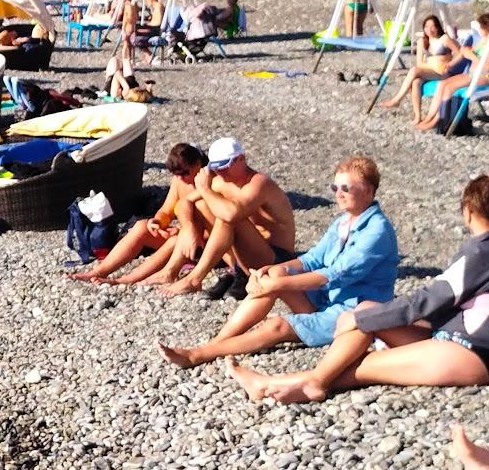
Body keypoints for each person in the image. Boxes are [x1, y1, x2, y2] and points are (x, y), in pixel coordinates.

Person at [229, 174, 489, 405]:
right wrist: (363, 318)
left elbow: (427, 301)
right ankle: (305, 381)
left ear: (468, 211)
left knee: (367, 363)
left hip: (474, 351)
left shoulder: (483, 250)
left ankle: (288, 385)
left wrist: (360, 320)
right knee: (365, 310)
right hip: (453, 335)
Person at [159, 156, 398, 368]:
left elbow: (336, 274)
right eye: (335, 186)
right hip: (325, 297)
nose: (338, 193)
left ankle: (198, 354)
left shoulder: (376, 231)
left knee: (278, 326)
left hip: (351, 309)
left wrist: (277, 285)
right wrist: (275, 271)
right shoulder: (344, 222)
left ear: (368, 190)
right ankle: (219, 343)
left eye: (346, 187)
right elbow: (312, 259)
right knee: (272, 276)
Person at [157, 138, 296, 298]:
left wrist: (205, 189)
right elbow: (183, 203)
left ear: (241, 158)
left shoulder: (258, 184)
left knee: (227, 216)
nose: (221, 172)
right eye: (216, 168)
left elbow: (231, 215)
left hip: (278, 259)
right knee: (202, 206)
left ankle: (195, 278)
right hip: (248, 254)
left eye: (224, 166)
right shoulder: (222, 181)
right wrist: (190, 228)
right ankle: (235, 270)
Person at [69, 144, 211, 284]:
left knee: (175, 240)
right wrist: (158, 221)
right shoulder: (180, 182)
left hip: (207, 244)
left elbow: (219, 228)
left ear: (198, 164)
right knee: (141, 226)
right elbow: (166, 210)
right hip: (186, 235)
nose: (181, 178)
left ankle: (126, 280)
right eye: (177, 175)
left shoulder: (210, 183)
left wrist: (185, 233)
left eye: (185, 173)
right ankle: (99, 271)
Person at [418, 13, 489, 132]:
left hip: (484, 76)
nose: (479, 30)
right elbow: (465, 53)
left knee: (450, 88)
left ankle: (440, 121)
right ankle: (430, 117)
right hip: (472, 75)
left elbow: (488, 65)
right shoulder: (483, 40)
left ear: (486, 27)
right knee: (442, 84)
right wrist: (450, 64)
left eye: (480, 27)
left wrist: (470, 55)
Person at [381, 14, 464, 123]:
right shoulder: (422, 42)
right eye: (426, 27)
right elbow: (419, 63)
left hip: (442, 73)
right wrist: (432, 65)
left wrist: (451, 64)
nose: (429, 29)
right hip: (429, 71)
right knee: (415, 82)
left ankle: (397, 100)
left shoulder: (444, 39)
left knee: (414, 70)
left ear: (438, 27)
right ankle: (418, 116)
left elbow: (460, 53)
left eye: (432, 26)